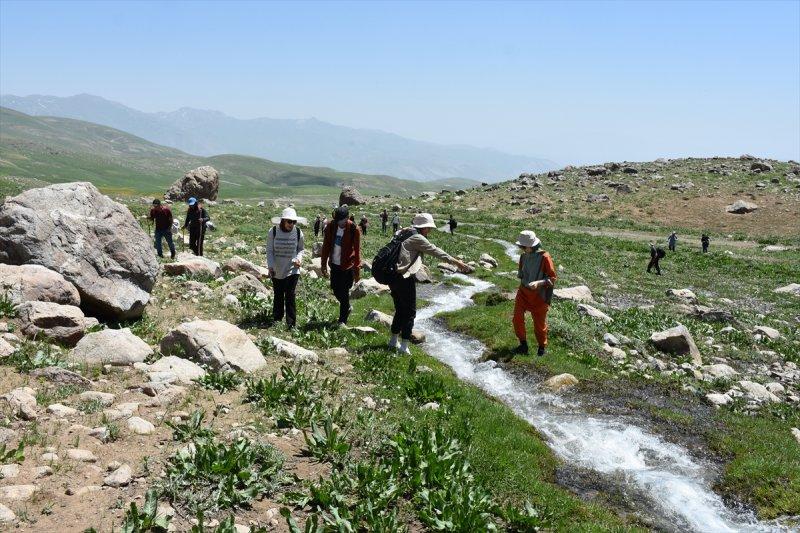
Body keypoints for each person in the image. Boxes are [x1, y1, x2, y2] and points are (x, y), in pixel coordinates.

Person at [387, 213, 470, 355]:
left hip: (392, 275)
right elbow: (435, 251)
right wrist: (457, 262)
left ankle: (393, 341)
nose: (429, 231)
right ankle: (404, 346)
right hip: (404, 277)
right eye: (428, 228)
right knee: (410, 312)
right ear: (423, 227)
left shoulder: (403, 232)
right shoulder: (417, 238)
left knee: (400, 309)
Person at [512, 231, 557, 357]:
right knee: (517, 318)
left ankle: (542, 348)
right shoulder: (523, 257)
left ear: (530, 246)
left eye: (522, 246)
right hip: (523, 292)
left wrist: (539, 282)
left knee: (539, 324)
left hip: (539, 295)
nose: (521, 248)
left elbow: (552, 279)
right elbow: (522, 274)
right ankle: (523, 345)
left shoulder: (545, 257)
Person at [320, 206, 361, 326]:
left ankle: (342, 320)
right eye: (338, 220)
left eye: (342, 221)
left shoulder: (354, 229)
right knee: (335, 289)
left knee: (343, 292)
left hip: (347, 266)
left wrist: (357, 271)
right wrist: (323, 265)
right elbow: (326, 246)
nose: (340, 223)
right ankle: (347, 306)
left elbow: (358, 251)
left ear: (347, 218)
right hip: (334, 264)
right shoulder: (331, 227)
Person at [267, 207, 306, 329]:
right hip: (277, 268)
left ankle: (291, 323)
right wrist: (271, 266)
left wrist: (299, 259)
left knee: (290, 295)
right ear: (283, 221)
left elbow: (301, 249)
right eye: (289, 221)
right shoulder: (273, 232)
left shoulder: (298, 232)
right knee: (278, 294)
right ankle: (277, 319)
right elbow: (269, 251)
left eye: (294, 222)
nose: (292, 224)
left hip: (292, 269)